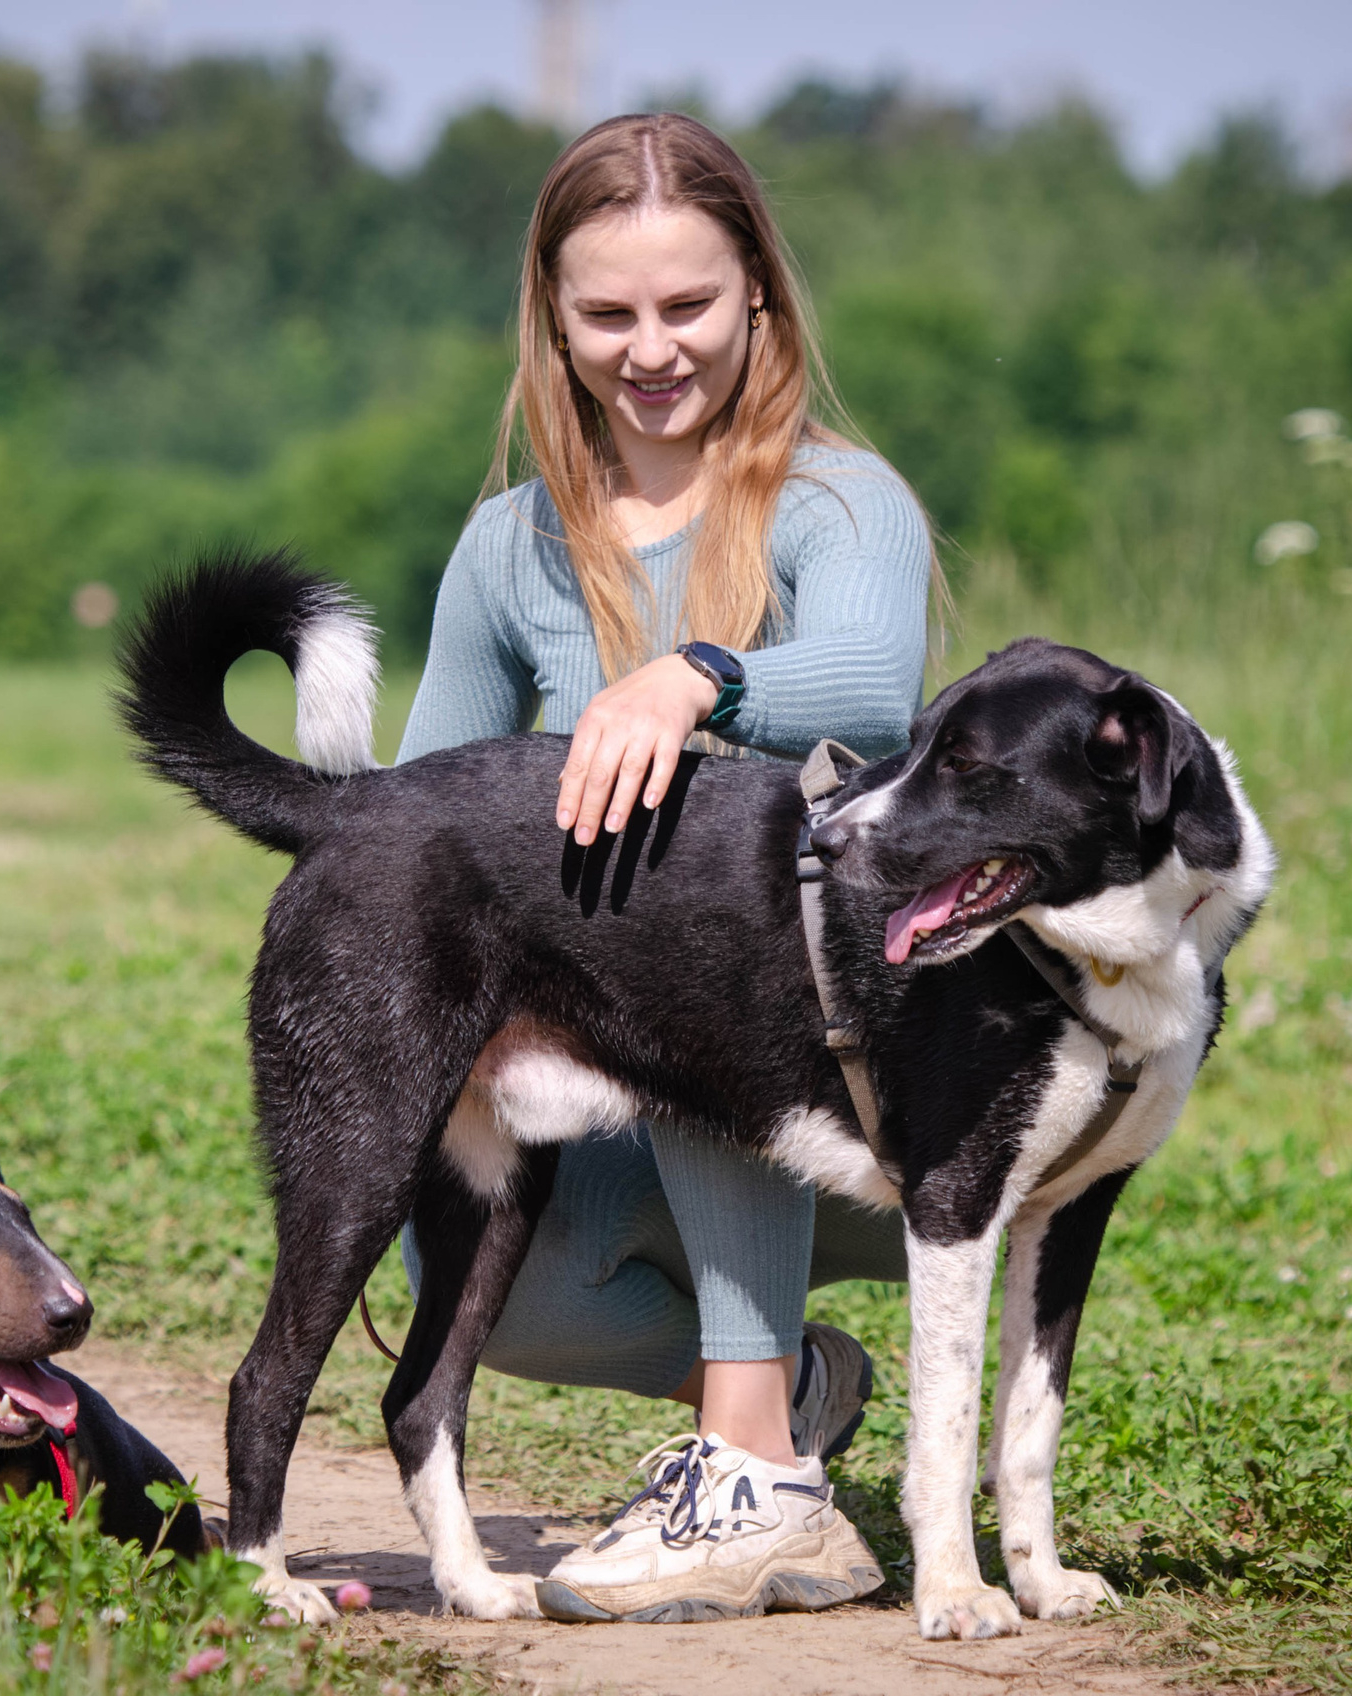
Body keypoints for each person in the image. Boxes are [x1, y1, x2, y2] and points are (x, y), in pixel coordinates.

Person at [394, 111, 928, 1622]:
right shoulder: (510, 550)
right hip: (645, 1095)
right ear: (553, 323)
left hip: (871, 1105)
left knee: (683, 937)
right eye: (607, 313)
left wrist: (697, 676)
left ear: (757, 294)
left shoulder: (843, 505)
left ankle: (753, 1480)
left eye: (687, 304)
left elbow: (878, 689)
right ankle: (791, 1394)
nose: (651, 347)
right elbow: (425, 813)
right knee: (500, 1294)